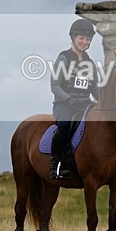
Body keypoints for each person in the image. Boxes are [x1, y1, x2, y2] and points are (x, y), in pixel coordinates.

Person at [49, 19, 101, 179]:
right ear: (73, 38)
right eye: (81, 38)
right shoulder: (64, 58)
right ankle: (56, 163)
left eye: (88, 39)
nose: (84, 42)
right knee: (65, 126)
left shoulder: (90, 63)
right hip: (65, 104)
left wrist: (102, 102)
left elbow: (95, 88)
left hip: (85, 104)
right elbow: (55, 86)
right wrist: (69, 100)